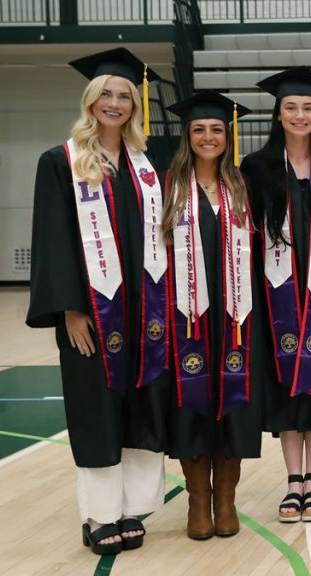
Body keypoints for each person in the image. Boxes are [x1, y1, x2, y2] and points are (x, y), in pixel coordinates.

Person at [26, 48, 168, 555]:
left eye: (124, 95)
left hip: (144, 312)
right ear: (90, 101)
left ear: (135, 104)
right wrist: (70, 309)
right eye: (105, 94)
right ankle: (100, 514)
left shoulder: (146, 166)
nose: (114, 103)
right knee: (97, 409)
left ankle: (131, 508)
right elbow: (53, 241)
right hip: (92, 311)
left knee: (140, 406)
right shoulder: (60, 162)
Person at [242, 67, 311, 524]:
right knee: (286, 381)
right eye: (291, 107)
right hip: (277, 297)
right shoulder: (256, 167)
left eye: (308, 107)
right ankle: (293, 480)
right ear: (278, 113)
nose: (300, 114)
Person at [162, 90, 259, 540]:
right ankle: (198, 499)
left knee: (234, 403)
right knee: (192, 401)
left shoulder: (241, 187)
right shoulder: (169, 186)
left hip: (236, 316)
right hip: (187, 318)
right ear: (188, 135)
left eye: (217, 129)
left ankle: (227, 499)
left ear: (228, 135)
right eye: (199, 129)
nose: (208, 136)